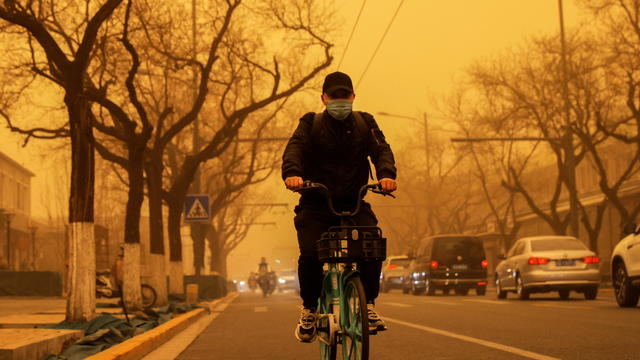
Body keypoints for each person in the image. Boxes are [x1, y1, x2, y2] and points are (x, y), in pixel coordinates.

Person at [282, 71, 397, 342]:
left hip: (354, 203)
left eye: (344, 96)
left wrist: (386, 174)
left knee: (372, 245)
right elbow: (294, 150)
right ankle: (309, 310)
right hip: (315, 204)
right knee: (311, 253)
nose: (340, 101)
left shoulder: (364, 122)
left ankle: (368, 306)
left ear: (353, 96)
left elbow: (382, 150)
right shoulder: (310, 124)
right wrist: (292, 174)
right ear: (324, 98)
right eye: (335, 96)